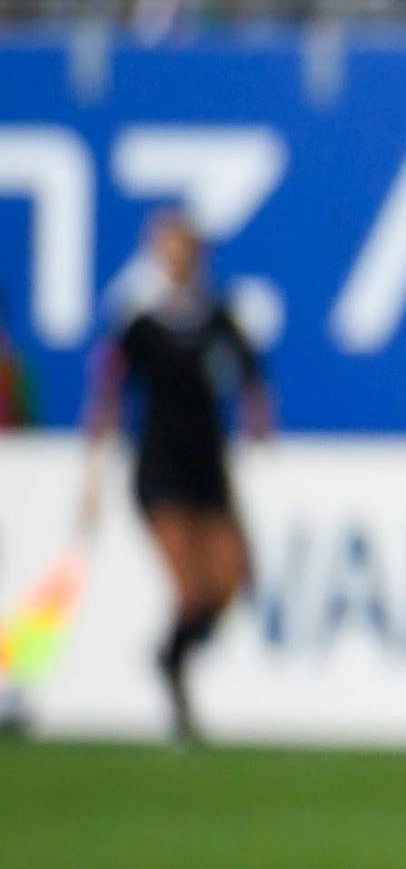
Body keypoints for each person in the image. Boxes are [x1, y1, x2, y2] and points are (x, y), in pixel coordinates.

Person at [79, 209, 268, 744]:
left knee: (228, 581)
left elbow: (253, 375)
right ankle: (175, 678)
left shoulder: (217, 317)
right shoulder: (139, 323)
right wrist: (92, 471)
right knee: (189, 585)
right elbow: (108, 393)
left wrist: (258, 423)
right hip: (159, 468)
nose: (179, 259)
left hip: (209, 467)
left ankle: (169, 655)